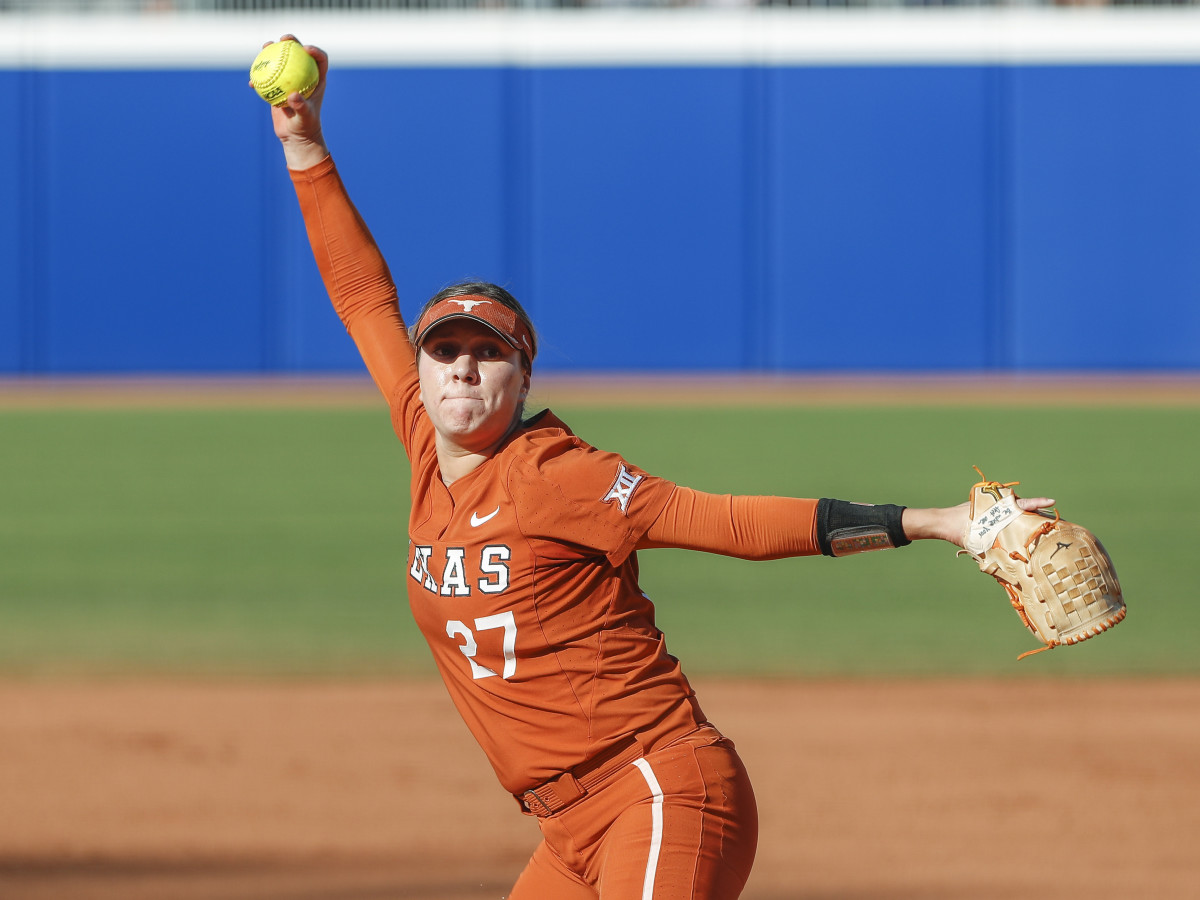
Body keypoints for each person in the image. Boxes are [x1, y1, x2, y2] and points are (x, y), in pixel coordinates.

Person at [259, 37, 1053, 900]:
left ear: (524, 378)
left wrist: (936, 522)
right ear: (418, 368)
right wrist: (305, 145)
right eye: (443, 349)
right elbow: (361, 296)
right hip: (564, 833)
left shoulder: (562, 474)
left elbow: (731, 524)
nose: (460, 368)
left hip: (659, 789)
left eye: (487, 354)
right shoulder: (422, 438)